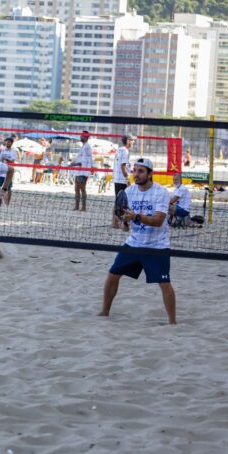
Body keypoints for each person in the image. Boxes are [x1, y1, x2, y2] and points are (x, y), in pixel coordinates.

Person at [98, 157, 176, 325]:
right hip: (134, 242)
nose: (136, 174)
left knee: (164, 282)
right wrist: (125, 221)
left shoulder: (161, 192)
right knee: (112, 275)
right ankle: (104, 311)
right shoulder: (129, 191)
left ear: (150, 174)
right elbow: (123, 215)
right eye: (135, 170)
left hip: (157, 246)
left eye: (141, 171)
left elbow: (158, 220)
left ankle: (172, 321)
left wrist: (136, 217)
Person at [112, 135, 134, 229]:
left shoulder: (119, 149)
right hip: (121, 180)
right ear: (128, 141)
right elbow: (123, 167)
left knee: (117, 201)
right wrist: (128, 180)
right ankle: (122, 223)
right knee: (123, 202)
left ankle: (115, 223)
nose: (133, 142)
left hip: (117, 179)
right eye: (132, 140)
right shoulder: (125, 151)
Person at [68, 131, 93, 211]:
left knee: (82, 189)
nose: (80, 137)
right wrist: (74, 163)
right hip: (79, 171)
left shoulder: (87, 147)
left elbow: (84, 162)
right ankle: (77, 206)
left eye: (82, 136)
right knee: (76, 189)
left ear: (85, 137)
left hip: (83, 171)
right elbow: (80, 159)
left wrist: (73, 164)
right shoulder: (84, 146)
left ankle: (83, 207)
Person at [0, 137, 17, 205]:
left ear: (11, 143)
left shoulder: (13, 151)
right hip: (1, 171)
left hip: (9, 172)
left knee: (9, 188)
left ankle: (7, 202)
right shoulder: (2, 150)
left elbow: (13, 161)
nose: (7, 143)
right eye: (7, 142)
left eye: (9, 142)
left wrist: (6, 159)